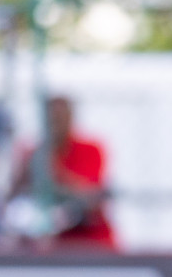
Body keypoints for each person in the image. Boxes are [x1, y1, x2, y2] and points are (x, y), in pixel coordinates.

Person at [13, 95, 116, 249]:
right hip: (48, 245)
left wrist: (50, 166)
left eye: (60, 117)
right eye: (52, 118)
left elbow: (89, 196)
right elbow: (13, 198)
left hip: (90, 242)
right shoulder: (33, 154)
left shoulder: (90, 149)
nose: (56, 124)